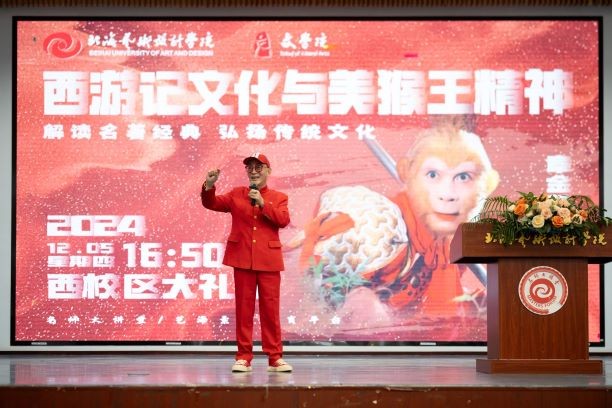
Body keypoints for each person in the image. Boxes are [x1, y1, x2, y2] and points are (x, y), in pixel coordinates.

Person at [201, 153, 292, 373]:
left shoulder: (279, 197)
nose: (253, 171)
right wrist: (209, 185)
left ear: (268, 171)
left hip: (268, 261)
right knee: (244, 310)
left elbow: (283, 220)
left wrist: (262, 203)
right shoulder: (236, 194)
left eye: (258, 167)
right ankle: (243, 357)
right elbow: (211, 203)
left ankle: (275, 357)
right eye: (250, 167)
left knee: (270, 310)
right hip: (242, 259)